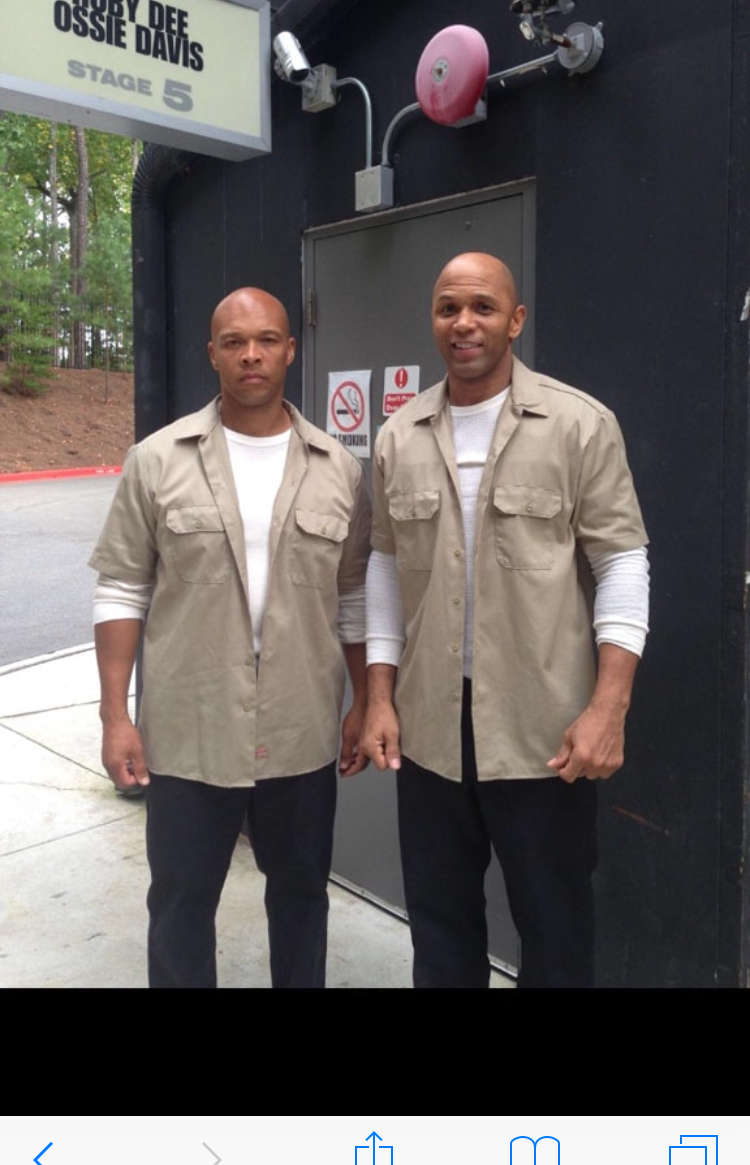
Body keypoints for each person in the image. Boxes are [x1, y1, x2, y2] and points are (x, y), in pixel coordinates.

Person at [361, 252, 649, 989]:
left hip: (544, 732)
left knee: (556, 931)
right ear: (433, 320)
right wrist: (379, 697)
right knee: (440, 928)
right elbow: (386, 569)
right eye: (448, 308)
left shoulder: (579, 425)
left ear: (515, 320)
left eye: (483, 307)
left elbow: (622, 563)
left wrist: (608, 708)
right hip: (430, 730)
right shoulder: (399, 435)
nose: (464, 323)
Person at [90, 287, 370, 988]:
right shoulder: (157, 460)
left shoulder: (337, 468)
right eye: (235, 342)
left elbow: (355, 598)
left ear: (290, 350)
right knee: (181, 906)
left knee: (302, 898)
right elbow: (122, 588)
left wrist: (365, 701)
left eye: (267, 340)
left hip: (300, 729)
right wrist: (116, 715)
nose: (252, 355)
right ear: (212, 353)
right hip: (190, 729)